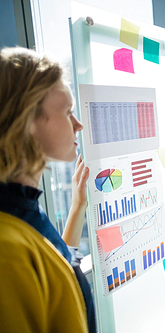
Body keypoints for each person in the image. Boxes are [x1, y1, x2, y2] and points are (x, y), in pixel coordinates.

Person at [0, 47, 96, 332]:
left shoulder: (22, 206)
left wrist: (78, 207)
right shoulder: (7, 250)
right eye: (68, 112)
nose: (78, 125)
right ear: (28, 120)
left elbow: (52, 266)